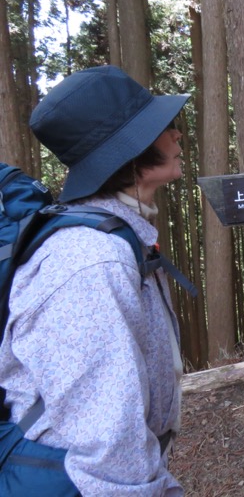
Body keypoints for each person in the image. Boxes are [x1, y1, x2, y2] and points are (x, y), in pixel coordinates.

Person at [0, 65, 189, 495]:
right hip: (71, 481)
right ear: (132, 150)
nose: (178, 135)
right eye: (164, 128)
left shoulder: (117, 237)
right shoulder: (91, 261)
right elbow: (109, 445)